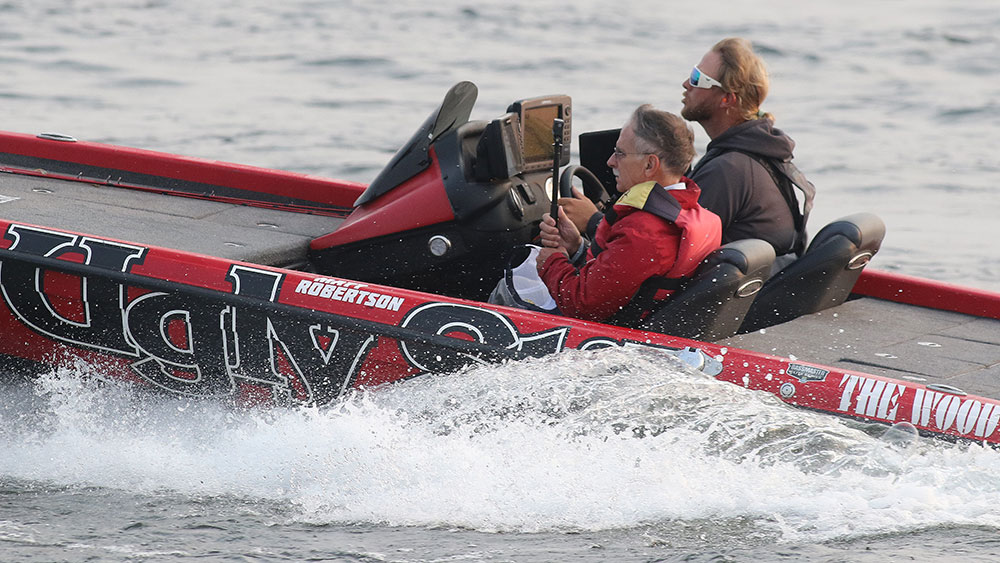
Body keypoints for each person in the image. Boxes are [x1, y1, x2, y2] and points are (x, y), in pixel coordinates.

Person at [561, 37, 814, 268]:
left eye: (697, 78)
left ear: (727, 99)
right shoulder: (759, 150)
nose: (685, 84)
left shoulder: (730, 169)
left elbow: (663, 248)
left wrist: (593, 222)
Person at [534, 105, 721, 323]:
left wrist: (551, 261)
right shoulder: (693, 213)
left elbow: (581, 305)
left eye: (620, 153)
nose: (610, 161)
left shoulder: (644, 233)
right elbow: (628, 275)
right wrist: (576, 246)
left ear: (650, 164)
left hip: (613, 333)